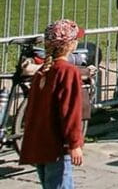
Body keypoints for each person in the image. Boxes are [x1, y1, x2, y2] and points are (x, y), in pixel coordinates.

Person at [19, 19, 85, 188]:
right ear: (70, 45)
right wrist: (74, 143)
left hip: (40, 143)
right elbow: (70, 111)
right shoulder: (68, 71)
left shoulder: (43, 71)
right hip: (57, 147)